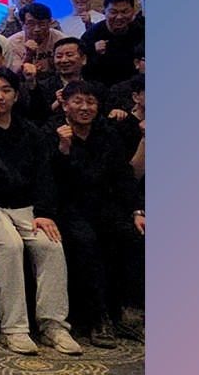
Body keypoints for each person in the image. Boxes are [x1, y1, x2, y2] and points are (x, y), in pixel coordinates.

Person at [0, 69, 81, 356]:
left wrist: (44, 212)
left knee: (50, 245)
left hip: (24, 206)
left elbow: (44, 174)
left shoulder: (30, 131)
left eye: (6, 90)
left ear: (15, 95)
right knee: (10, 246)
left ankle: (53, 326)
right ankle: (14, 328)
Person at [51, 80, 146, 347]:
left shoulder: (106, 133)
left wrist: (136, 211)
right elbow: (51, 180)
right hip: (67, 207)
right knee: (86, 242)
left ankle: (129, 313)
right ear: (65, 106)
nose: (85, 108)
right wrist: (64, 150)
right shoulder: (52, 132)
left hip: (103, 204)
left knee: (134, 235)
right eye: (78, 101)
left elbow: (123, 176)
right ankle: (98, 317)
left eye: (90, 102)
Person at [82, 0, 146, 86]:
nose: (119, 17)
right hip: (101, 87)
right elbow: (81, 66)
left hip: (136, 86)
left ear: (133, 12)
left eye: (124, 12)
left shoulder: (141, 31)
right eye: (113, 12)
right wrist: (94, 52)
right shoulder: (92, 35)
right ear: (104, 12)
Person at [4, 2, 61, 75]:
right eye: (31, 24)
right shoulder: (12, 43)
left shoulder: (59, 39)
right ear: (22, 24)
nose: (37, 29)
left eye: (41, 24)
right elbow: (14, 74)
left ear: (50, 23)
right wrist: (28, 56)